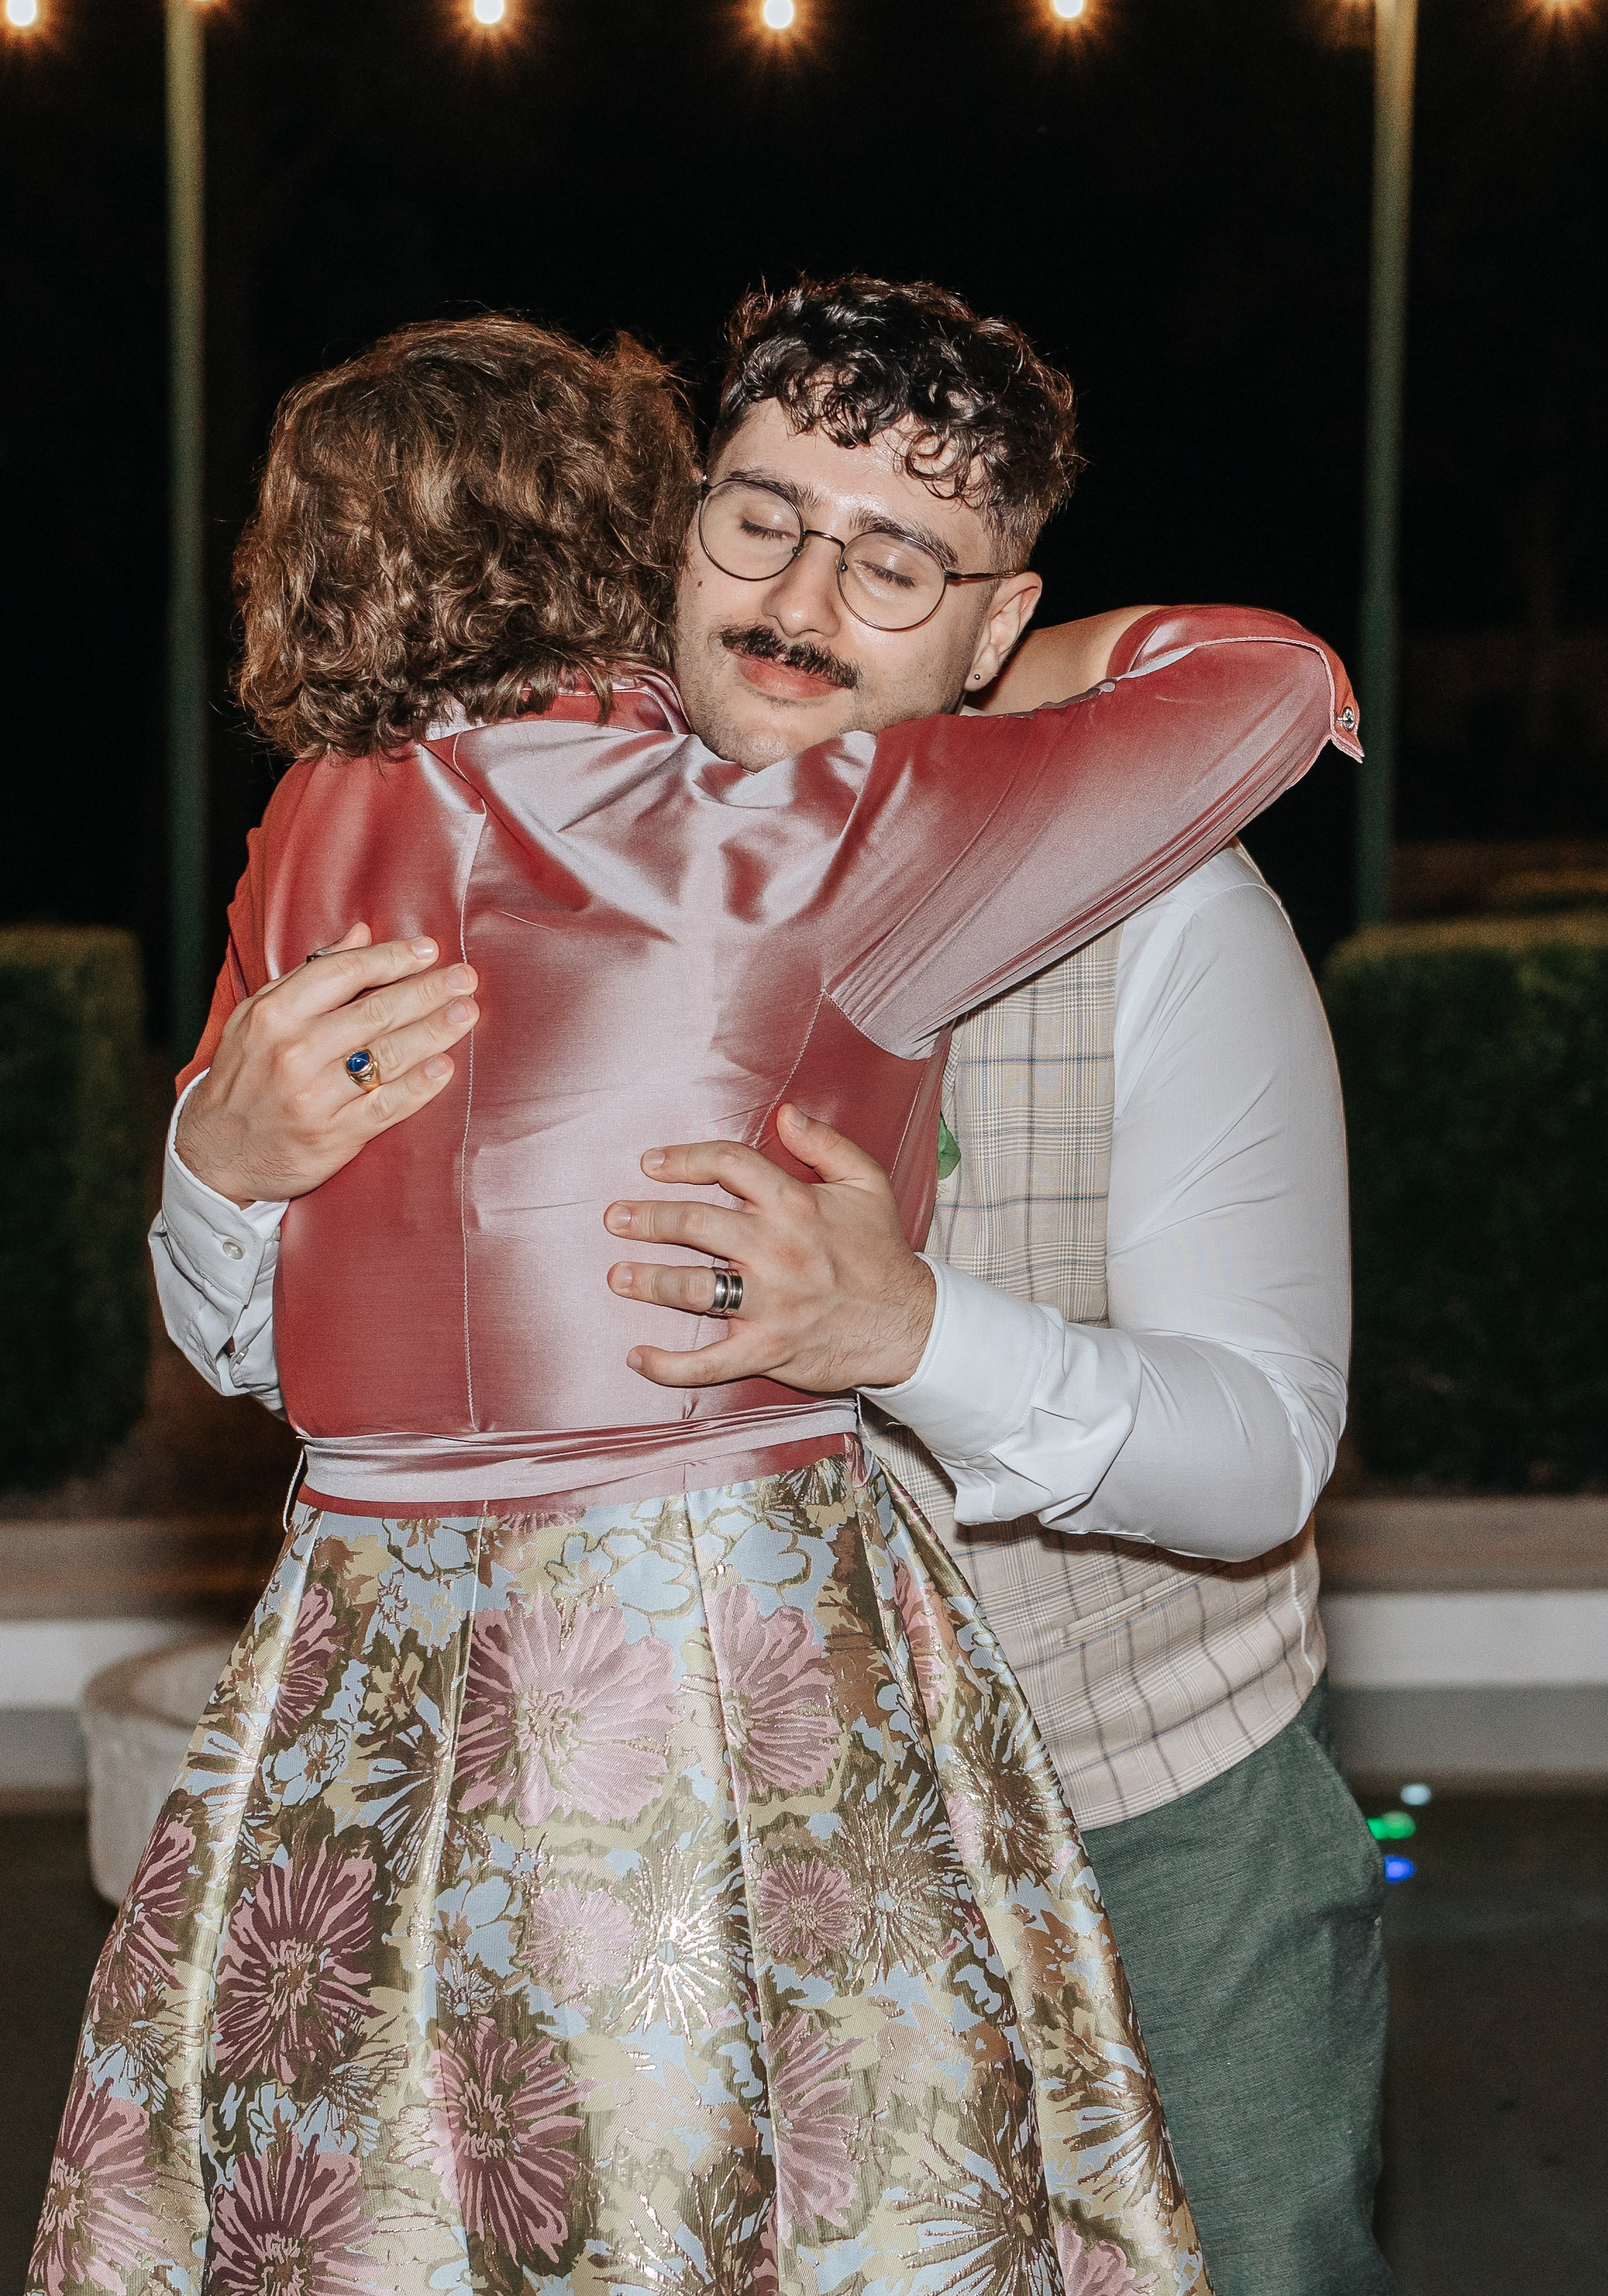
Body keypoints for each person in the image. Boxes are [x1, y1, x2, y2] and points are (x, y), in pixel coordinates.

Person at [108, 289, 1361, 2296]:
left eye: (895, 561)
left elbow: (1259, 1461)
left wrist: (910, 1339)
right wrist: (218, 1169)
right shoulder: (470, 825)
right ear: (656, 544)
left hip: (1141, 1829)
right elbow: (258, 1348)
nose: (803, 591)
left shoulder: (1168, 916)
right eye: (758, 519)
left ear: (993, 613)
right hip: (567, 1835)